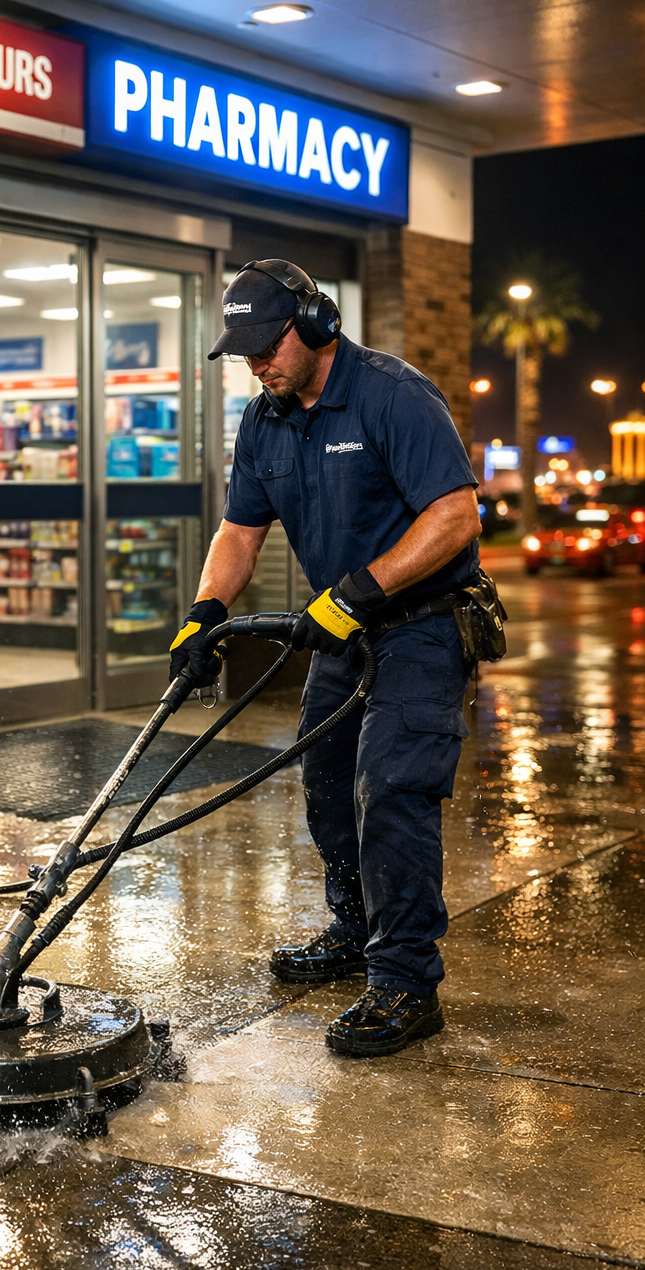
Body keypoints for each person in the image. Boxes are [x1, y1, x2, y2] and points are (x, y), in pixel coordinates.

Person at [169, 259, 482, 1058]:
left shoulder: (391, 394)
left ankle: (406, 983)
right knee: (327, 784)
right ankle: (355, 929)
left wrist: (356, 594)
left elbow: (453, 517)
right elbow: (241, 532)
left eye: (266, 346)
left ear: (314, 326)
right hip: (342, 633)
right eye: (241, 352)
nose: (256, 364)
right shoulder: (265, 419)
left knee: (392, 790)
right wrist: (206, 612)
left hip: (422, 623)